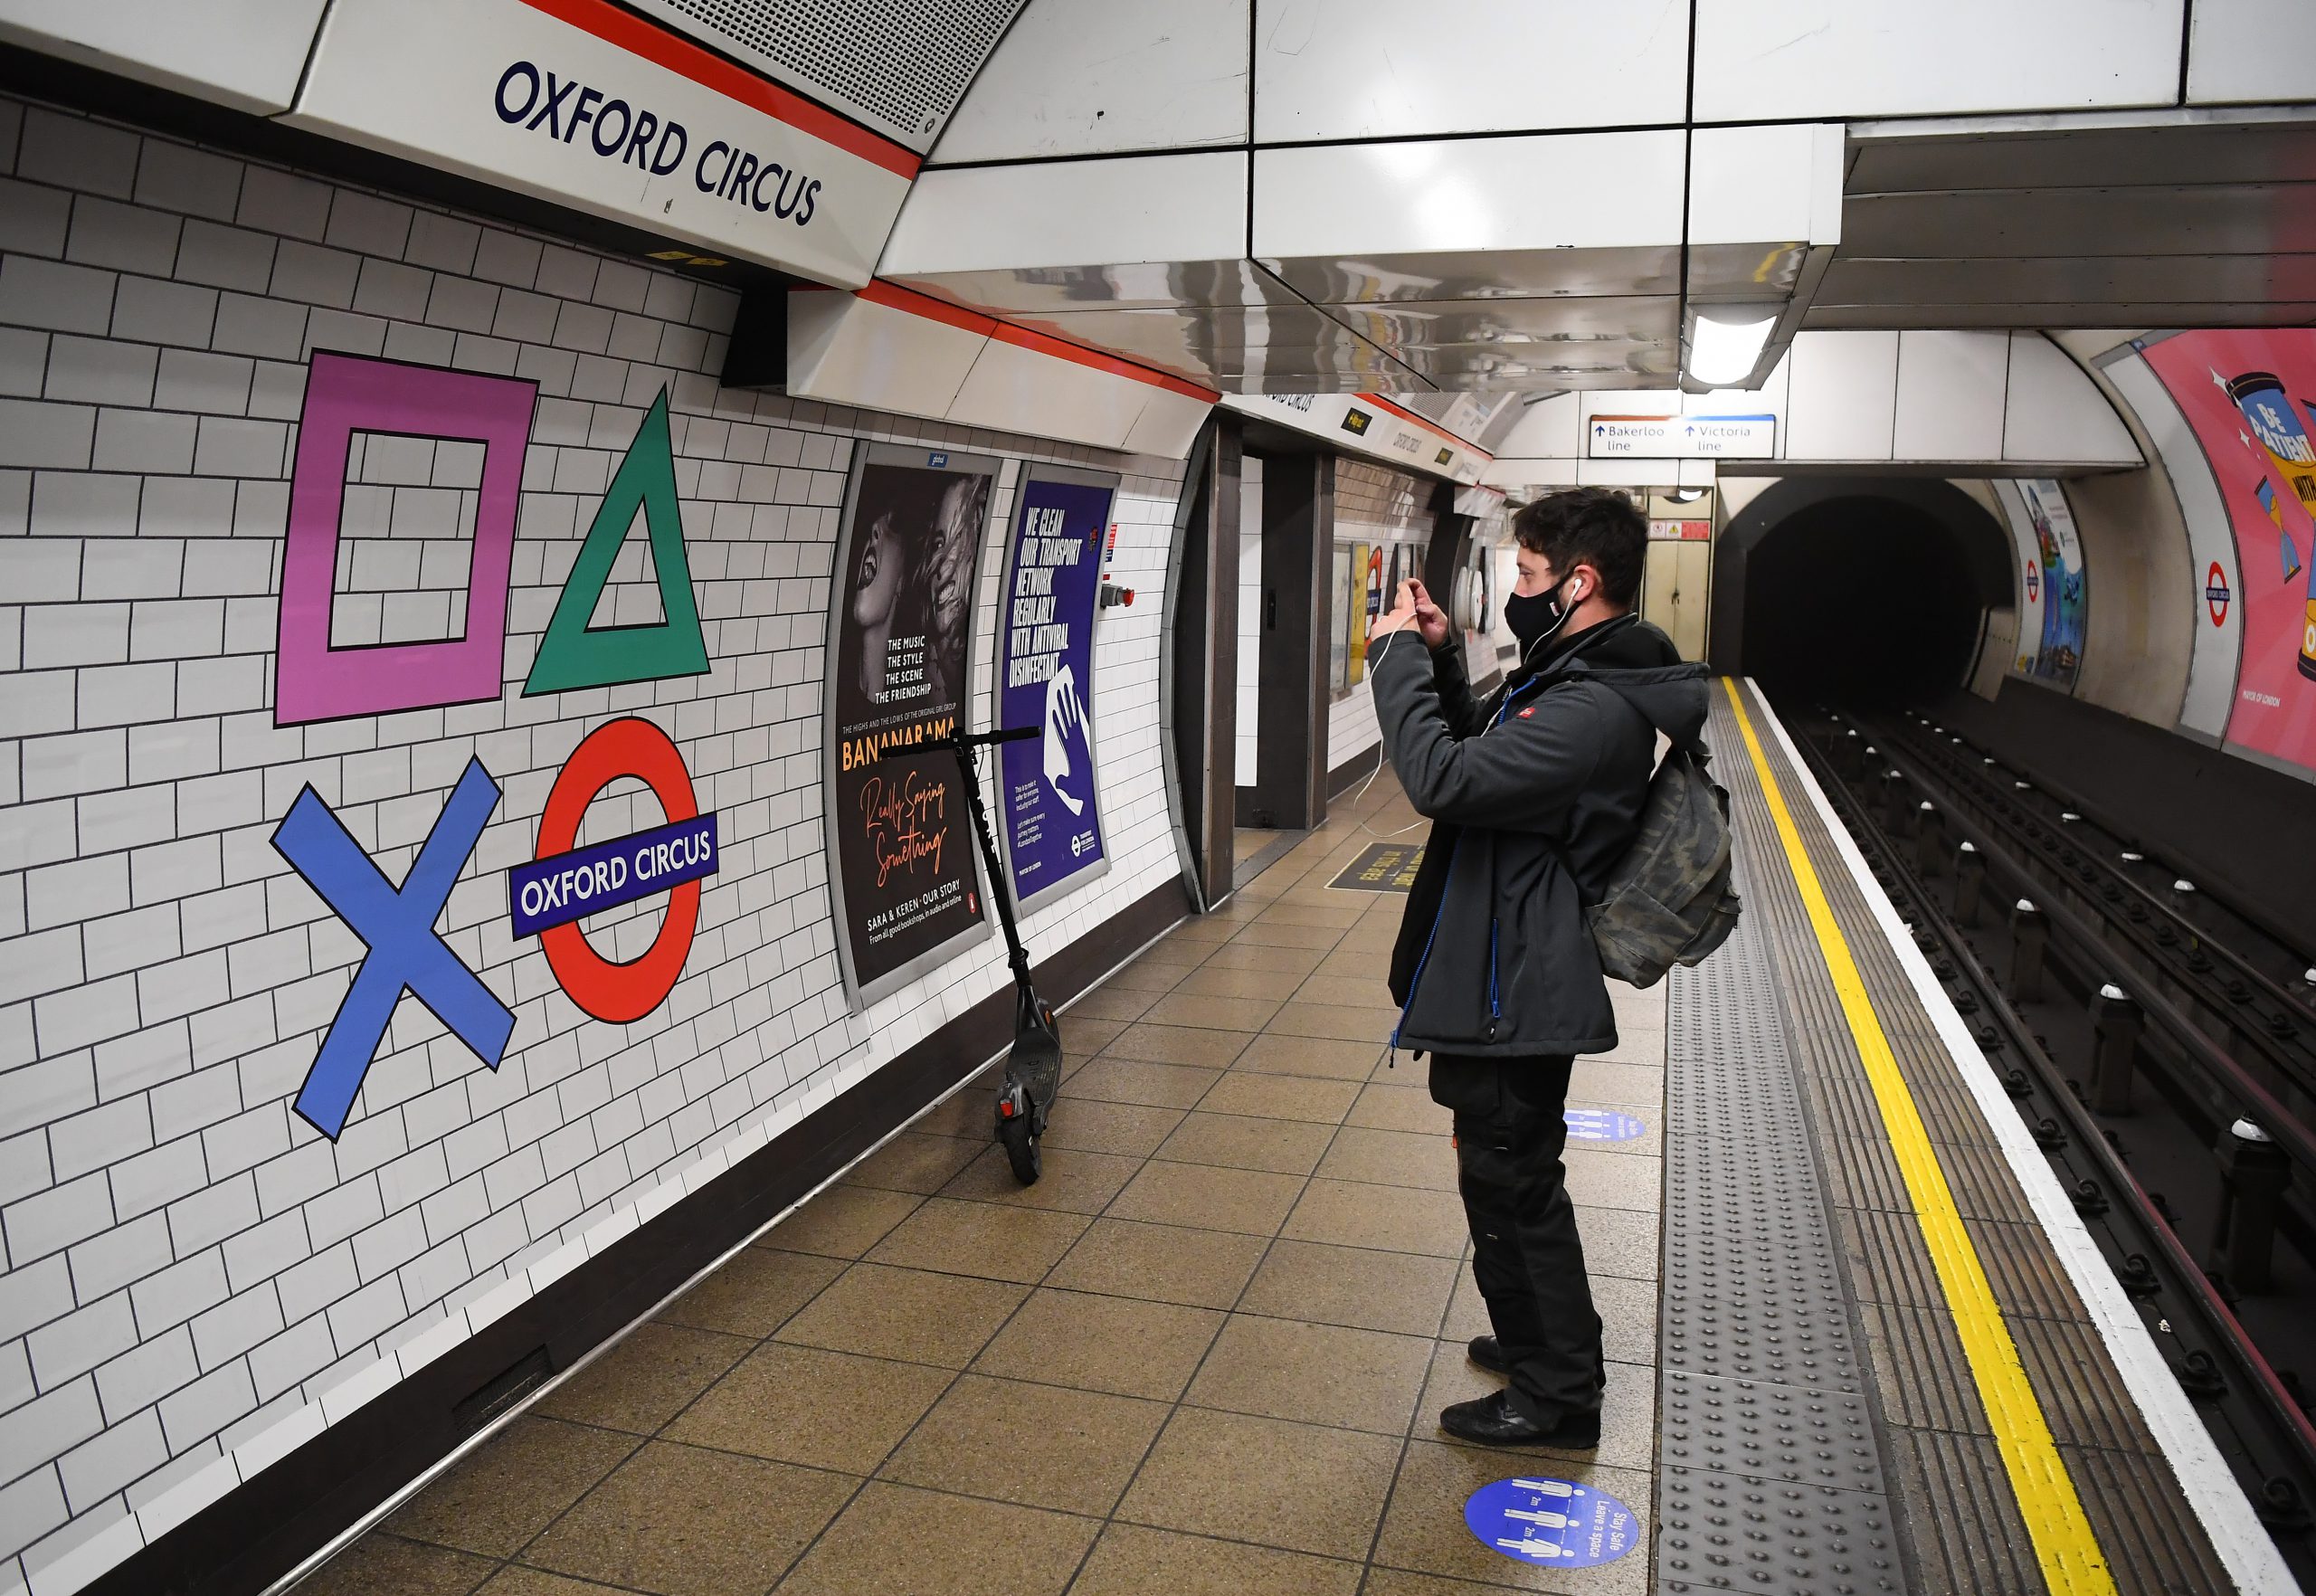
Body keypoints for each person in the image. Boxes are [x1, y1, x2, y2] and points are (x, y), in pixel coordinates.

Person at [1366, 487, 1706, 1447]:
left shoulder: (1588, 706)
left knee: (1515, 1180)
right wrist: (1440, 656)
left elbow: (1443, 779)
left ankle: (1557, 1395)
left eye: (1526, 573)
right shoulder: (1569, 675)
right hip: (1503, 962)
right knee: (1498, 1171)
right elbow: (1476, 742)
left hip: (1516, 979)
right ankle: (1534, 1341)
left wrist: (1393, 658)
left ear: (1579, 581)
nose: (1516, 589)